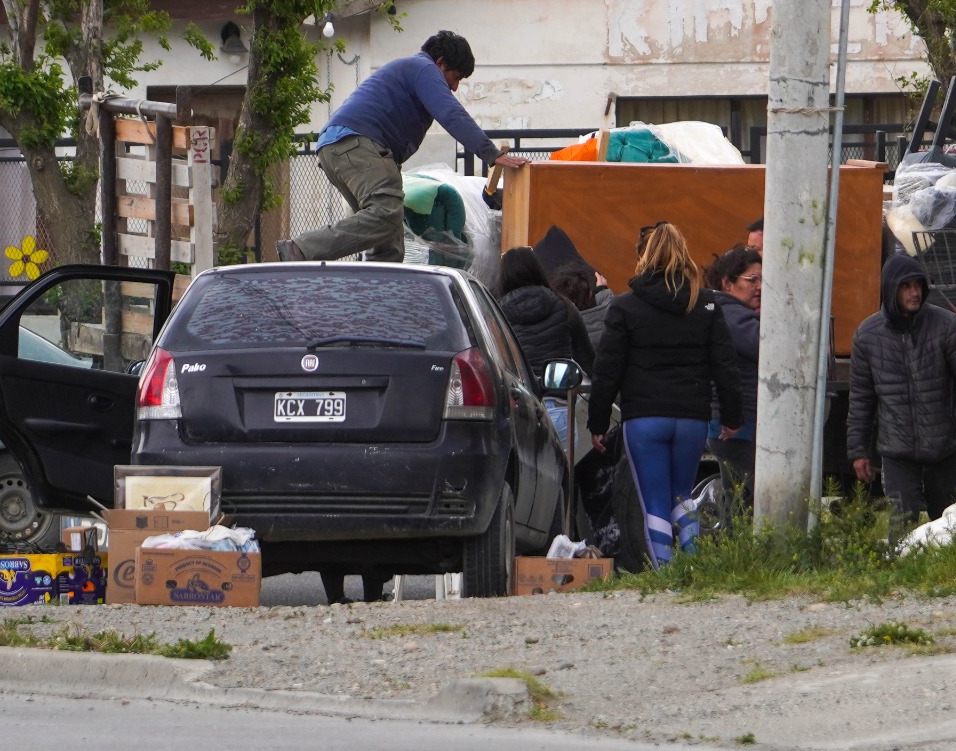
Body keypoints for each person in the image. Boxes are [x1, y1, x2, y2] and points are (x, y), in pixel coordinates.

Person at [278, 31, 528, 262]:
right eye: (456, 77)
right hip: (357, 145)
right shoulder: (424, 69)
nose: (454, 87)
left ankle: (380, 303)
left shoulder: (411, 71)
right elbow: (451, 114)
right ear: (441, 63)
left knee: (388, 245)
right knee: (386, 214)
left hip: (339, 148)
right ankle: (301, 249)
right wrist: (491, 154)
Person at [588, 223, 742, 565]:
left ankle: (667, 574)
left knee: (654, 503)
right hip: (691, 418)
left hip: (645, 419)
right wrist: (731, 418)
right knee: (682, 497)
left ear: (644, 257)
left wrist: (597, 421)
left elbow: (607, 370)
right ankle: (693, 567)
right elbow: (725, 366)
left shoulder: (626, 307)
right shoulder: (703, 304)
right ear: (683, 255)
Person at [846, 252, 956, 522]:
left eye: (918, 285)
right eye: (906, 286)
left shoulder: (947, 326)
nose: (914, 292)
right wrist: (858, 450)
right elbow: (861, 399)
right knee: (901, 527)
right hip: (897, 449)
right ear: (890, 288)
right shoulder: (867, 336)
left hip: (944, 445)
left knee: (950, 526)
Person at [496, 247, 595, 439]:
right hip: (559, 407)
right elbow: (590, 362)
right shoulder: (564, 306)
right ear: (537, 269)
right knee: (561, 469)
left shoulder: (497, 315)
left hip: (518, 409)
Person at [704, 245, 762, 500]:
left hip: (728, 424)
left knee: (737, 502)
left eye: (762, 279)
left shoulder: (719, 311)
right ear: (727, 283)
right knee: (749, 503)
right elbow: (771, 351)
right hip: (741, 424)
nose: (760, 286)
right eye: (752, 280)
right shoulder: (733, 317)